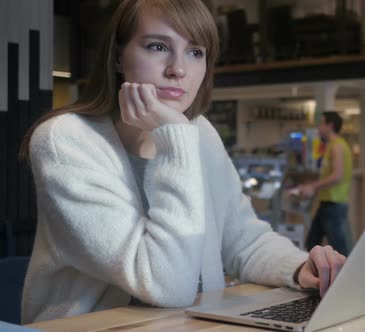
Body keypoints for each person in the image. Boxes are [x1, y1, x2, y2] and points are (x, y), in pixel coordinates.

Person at [19, 0, 345, 324]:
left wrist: (301, 268)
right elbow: (166, 285)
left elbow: (246, 242)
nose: (178, 69)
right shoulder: (65, 141)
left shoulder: (199, 132)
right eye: (158, 46)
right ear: (118, 57)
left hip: (191, 323)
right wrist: (173, 136)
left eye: (195, 52)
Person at [297, 112, 354, 256]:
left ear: (330, 126)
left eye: (321, 123)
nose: (319, 127)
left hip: (334, 204)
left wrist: (313, 186)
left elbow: (337, 176)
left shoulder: (337, 147)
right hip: (327, 203)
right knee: (312, 242)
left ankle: (346, 276)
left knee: (339, 247)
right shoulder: (331, 146)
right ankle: (315, 273)